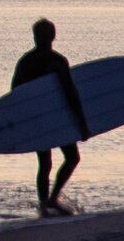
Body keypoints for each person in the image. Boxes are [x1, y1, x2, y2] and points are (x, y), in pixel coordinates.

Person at [8, 17, 89, 215]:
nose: (41, 39)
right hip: (42, 118)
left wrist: (81, 123)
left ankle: (50, 200)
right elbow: (16, 94)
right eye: (39, 35)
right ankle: (46, 203)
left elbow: (70, 91)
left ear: (52, 36)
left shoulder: (47, 61)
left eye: (44, 35)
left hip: (56, 117)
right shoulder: (32, 62)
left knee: (70, 158)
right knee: (46, 162)